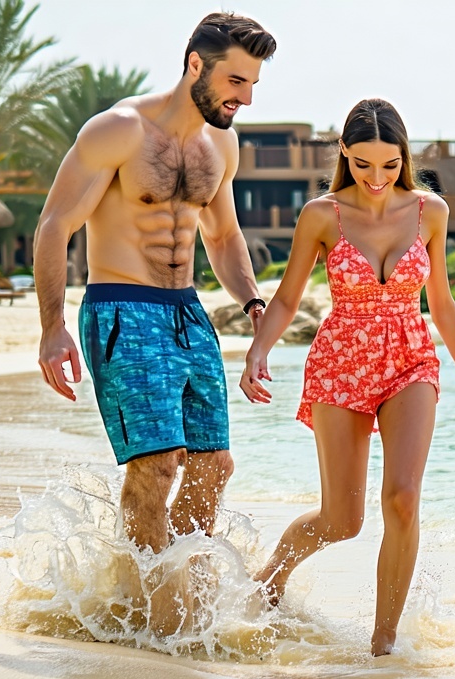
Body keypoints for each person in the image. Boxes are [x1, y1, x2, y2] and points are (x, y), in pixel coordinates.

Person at [34, 12, 275, 631]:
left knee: (213, 466)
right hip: (121, 306)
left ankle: (189, 605)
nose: (245, 98)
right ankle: (158, 619)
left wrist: (253, 303)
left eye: (253, 85)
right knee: (159, 462)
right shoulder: (117, 130)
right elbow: (55, 225)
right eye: (236, 81)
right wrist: (52, 327)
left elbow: (223, 236)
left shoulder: (221, 144)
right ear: (196, 64)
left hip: (187, 313)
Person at [239, 98, 455, 656]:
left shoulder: (430, 211)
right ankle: (271, 575)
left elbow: (441, 303)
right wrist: (258, 352)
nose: (377, 178)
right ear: (344, 154)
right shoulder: (321, 215)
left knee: (402, 499)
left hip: (410, 360)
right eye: (363, 165)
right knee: (342, 520)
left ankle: (383, 645)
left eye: (390, 165)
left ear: (405, 157)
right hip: (340, 362)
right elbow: (288, 298)